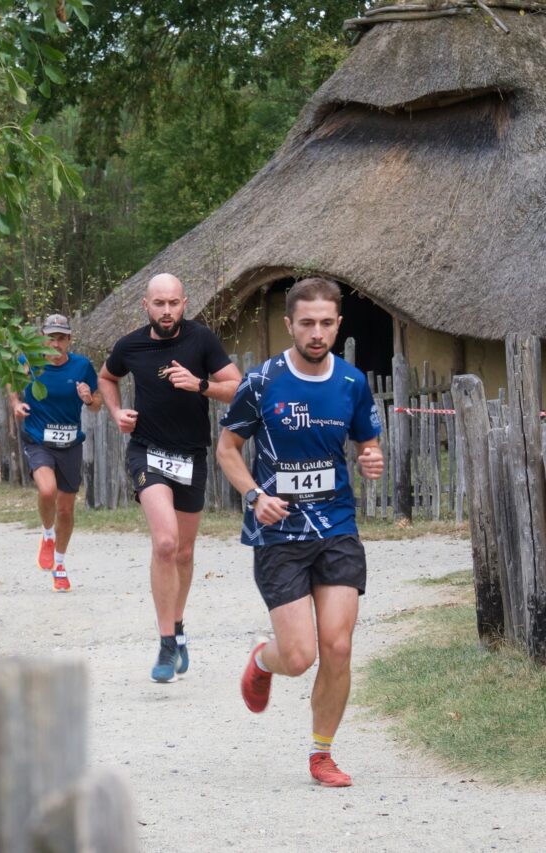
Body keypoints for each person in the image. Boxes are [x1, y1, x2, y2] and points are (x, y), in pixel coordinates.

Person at [216, 277, 383, 788]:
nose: (316, 332)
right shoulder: (261, 383)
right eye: (306, 323)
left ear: (338, 324)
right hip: (279, 534)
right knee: (299, 656)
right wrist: (254, 497)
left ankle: (322, 753)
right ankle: (263, 660)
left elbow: (366, 444)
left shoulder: (353, 383)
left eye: (326, 323)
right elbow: (227, 450)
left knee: (337, 646)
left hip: (336, 527)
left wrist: (371, 458)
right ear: (288, 324)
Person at [98, 273, 241, 683]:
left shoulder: (202, 340)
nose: (166, 311)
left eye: (173, 303)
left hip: (191, 456)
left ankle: (177, 629)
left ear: (184, 303)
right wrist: (116, 412)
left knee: (183, 552)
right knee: (164, 542)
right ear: (146, 305)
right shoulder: (130, 345)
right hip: (148, 451)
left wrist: (200, 385)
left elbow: (238, 387)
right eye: (158, 303)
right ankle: (163, 642)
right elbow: (107, 377)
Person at [8, 313, 102, 592]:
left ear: (69, 340)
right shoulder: (29, 361)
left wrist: (89, 398)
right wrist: (16, 403)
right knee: (47, 491)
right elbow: (10, 381)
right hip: (38, 439)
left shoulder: (82, 366)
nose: (55, 343)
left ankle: (59, 564)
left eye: (61, 338)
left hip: (70, 444)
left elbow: (97, 404)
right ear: (43, 339)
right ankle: (47, 535)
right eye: (51, 337)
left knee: (66, 509)